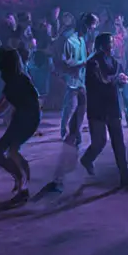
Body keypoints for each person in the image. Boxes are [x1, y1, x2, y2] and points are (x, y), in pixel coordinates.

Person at [39, 14, 98, 195]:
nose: (93, 30)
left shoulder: (81, 39)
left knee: (80, 109)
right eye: (92, 27)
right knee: (71, 107)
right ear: (86, 25)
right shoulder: (68, 39)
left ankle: (74, 135)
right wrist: (80, 65)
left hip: (80, 80)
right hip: (71, 79)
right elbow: (62, 61)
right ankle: (66, 133)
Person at [80, 33, 128, 187]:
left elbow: (114, 81)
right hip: (98, 107)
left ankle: (125, 175)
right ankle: (87, 159)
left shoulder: (114, 61)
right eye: (110, 42)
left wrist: (123, 80)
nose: (112, 45)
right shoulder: (93, 62)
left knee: (118, 142)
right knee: (99, 142)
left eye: (112, 42)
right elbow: (102, 81)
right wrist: (117, 78)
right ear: (101, 45)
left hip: (112, 105)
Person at [0, 48, 41, 205]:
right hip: (25, 118)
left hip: (26, 119)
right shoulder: (19, 78)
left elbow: (0, 108)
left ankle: (23, 184)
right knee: (3, 152)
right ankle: (21, 178)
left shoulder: (14, 82)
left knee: (9, 152)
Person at [112, 15, 128, 127]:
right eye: (116, 24)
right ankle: (118, 118)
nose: (118, 26)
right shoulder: (113, 39)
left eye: (119, 23)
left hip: (125, 68)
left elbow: (126, 37)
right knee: (116, 96)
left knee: (126, 96)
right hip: (116, 69)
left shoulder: (126, 36)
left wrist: (121, 24)